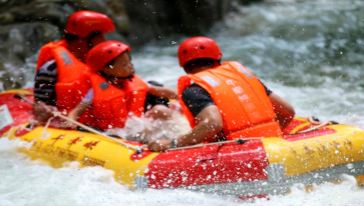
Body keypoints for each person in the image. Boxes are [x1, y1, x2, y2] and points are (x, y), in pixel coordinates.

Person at [148, 36, 295, 152]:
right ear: (218, 58)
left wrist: (174, 143)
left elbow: (212, 124)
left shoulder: (194, 89)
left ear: (184, 67)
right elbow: (288, 111)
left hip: (237, 151)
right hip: (273, 142)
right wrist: (266, 136)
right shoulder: (243, 76)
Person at [67, 40, 178, 135]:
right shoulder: (96, 90)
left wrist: (179, 95)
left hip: (133, 127)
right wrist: (71, 121)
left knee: (162, 111)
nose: (130, 66)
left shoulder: (134, 82)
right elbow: (77, 111)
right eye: (124, 64)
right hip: (110, 132)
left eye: (129, 61)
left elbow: (159, 91)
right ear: (107, 69)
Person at [33, 10, 115, 124]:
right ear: (81, 40)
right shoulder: (51, 69)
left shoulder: (108, 64)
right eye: (99, 38)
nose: (104, 42)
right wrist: (45, 109)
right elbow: (39, 107)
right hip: (67, 125)